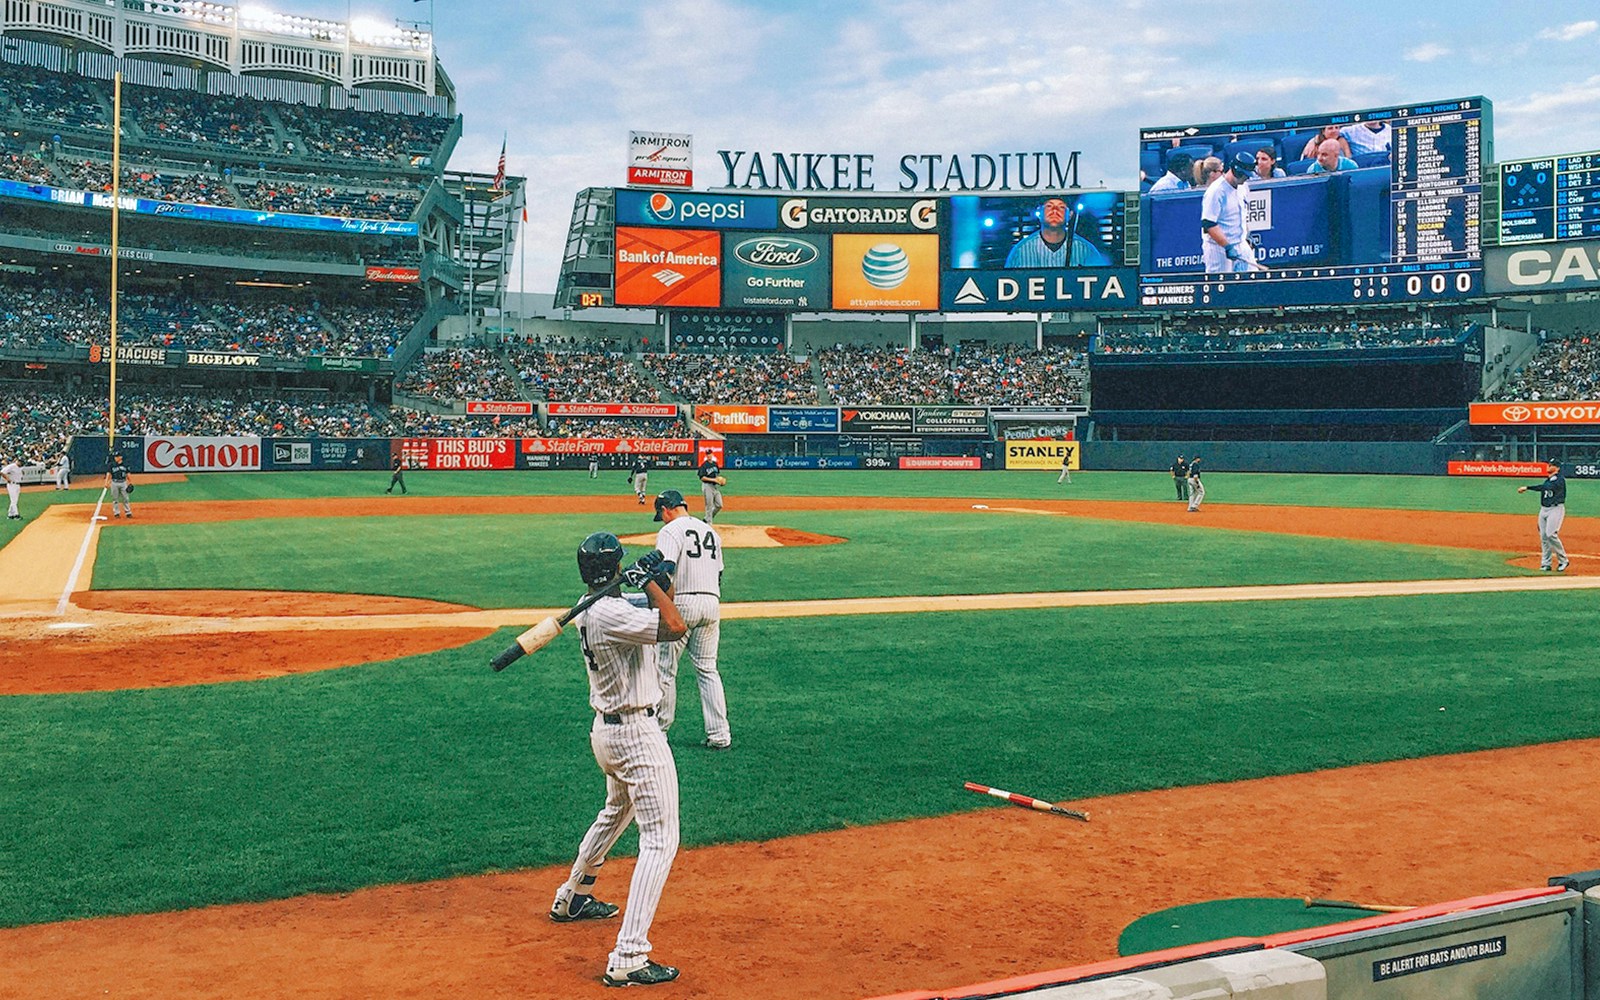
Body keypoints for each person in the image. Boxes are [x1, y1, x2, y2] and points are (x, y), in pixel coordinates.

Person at [549, 532, 688, 988]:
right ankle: (629, 955)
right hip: (635, 736)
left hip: (606, 734)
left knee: (616, 812)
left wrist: (655, 577)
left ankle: (573, 895)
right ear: (612, 568)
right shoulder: (610, 613)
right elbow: (674, 625)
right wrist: (650, 582)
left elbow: (647, 602)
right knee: (660, 840)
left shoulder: (590, 605)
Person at [652, 489, 730, 750]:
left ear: (666, 510)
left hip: (683, 603)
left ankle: (659, 732)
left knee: (665, 669)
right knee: (708, 670)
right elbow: (719, 573)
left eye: (660, 514)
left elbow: (666, 572)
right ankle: (720, 734)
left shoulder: (670, 531)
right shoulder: (710, 531)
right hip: (712, 603)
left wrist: (659, 604)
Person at [1003, 196, 1109, 267]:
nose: (1055, 211)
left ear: (1070, 215)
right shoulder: (1021, 251)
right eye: (1049, 206)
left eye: (1061, 207)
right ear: (1039, 212)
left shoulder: (1086, 250)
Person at [1201, 153, 1264, 273]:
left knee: (1253, 281)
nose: (1247, 178)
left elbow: (1242, 215)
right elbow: (1208, 224)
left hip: (1240, 243)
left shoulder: (1243, 187)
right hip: (1218, 248)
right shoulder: (1216, 191)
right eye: (1245, 175)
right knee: (1220, 286)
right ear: (1237, 172)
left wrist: (1246, 235)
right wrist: (1227, 246)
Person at [1517, 461, 1569, 571]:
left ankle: (1563, 561)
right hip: (1544, 509)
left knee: (1551, 535)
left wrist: (1527, 487)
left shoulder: (1559, 479)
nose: (1549, 466)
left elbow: (1546, 487)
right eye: (1549, 465)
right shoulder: (1549, 479)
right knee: (1544, 537)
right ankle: (1546, 564)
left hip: (1555, 509)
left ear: (1557, 468)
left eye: (1551, 465)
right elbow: (1545, 486)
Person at [697, 456, 724, 524]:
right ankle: (709, 524)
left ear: (712, 455)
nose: (709, 456)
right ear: (706, 456)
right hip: (707, 486)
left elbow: (716, 475)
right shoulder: (704, 465)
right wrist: (713, 480)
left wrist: (719, 481)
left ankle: (707, 518)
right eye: (708, 454)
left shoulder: (715, 464)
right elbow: (702, 478)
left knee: (719, 505)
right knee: (709, 505)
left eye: (710, 454)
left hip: (715, 486)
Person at [3, 454, 20, 520]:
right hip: (11, 485)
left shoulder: (18, 467)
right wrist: (7, 479)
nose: (21, 463)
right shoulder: (12, 466)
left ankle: (10, 515)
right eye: (20, 461)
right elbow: (2, 472)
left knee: (15, 500)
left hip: (17, 485)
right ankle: (16, 515)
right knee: (13, 500)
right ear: (17, 461)